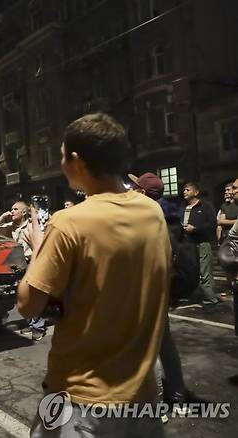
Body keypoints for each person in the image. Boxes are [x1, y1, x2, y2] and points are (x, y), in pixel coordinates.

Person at [18, 113, 169, 437]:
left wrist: (39, 246)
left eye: (61, 155)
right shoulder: (151, 212)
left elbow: (28, 304)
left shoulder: (70, 222)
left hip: (81, 401)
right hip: (141, 395)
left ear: (76, 160)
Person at [129, 172, 194, 408]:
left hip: (148, 289)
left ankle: (154, 404)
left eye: (135, 186)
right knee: (164, 343)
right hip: (161, 287)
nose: (131, 189)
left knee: (147, 348)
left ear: (143, 192)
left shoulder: (147, 218)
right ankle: (176, 395)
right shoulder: (164, 214)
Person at [0, 202, 46, 340]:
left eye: (16, 209)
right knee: (23, 296)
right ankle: (30, 322)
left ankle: (38, 327)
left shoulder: (32, 227)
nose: (12, 211)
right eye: (11, 208)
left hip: (30, 262)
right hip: (15, 265)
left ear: (24, 213)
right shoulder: (9, 227)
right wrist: (2, 217)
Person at [180, 181, 218, 305]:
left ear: (196, 192)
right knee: (190, 270)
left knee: (205, 271)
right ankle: (193, 294)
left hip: (202, 242)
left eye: (188, 190)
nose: (184, 192)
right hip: (187, 244)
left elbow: (212, 224)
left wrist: (195, 228)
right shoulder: (183, 207)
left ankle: (210, 298)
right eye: (184, 190)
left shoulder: (205, 206)